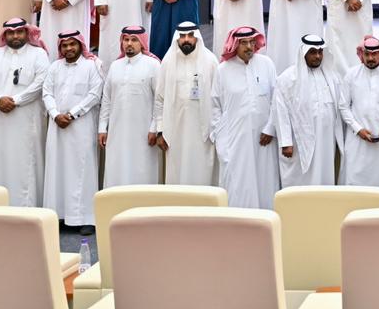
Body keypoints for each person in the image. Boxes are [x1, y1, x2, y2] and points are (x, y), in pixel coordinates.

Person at [0, 18, 50, 206]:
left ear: (27, 33)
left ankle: (26, 208)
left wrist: (16, 101)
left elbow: (40, 83)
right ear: (5, 35)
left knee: (24, 163)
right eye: (11, 32)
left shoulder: (39, 54)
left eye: (19, 32)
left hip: (26, 119)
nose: (15, 36)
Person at [211, 27, 280, 208]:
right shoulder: (223, 70)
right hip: (235, 139)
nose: (249, 46)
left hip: (264, 138)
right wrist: (221, 138)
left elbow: (277, 100)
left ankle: (265, 220)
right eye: (243, 43)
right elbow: (215, 106)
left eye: (251, 42)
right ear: (235, 44)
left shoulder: (267, 64)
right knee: (238, 183)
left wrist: (270, 128)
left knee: (265, 180)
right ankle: (239, 221)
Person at [42, 30, 102, 233]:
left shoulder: (91, 66)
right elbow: (47, 93)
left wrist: (72, 114)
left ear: (80, 45)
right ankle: (58, 215)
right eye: (65, 45)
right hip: (57, 126)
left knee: (82, 169)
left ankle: (85, 218)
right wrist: (55, 114)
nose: (69, 48)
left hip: (81, 126)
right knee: (57, 168)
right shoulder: (54, 67)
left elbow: (95, 94)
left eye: (72, 44)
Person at [273, 33, 344, 188]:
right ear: (303, 53)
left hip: (326, 140)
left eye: (320, 52)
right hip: (299, 140)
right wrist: (286, 142)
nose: (317, 56)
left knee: (324, 175)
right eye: (312, 52)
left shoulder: (332, 77)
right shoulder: (288, 78)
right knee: (300, 179)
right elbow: (279, 111)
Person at [154, 20, 219, 185]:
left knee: (202, 174)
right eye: (182, 36)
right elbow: (159, 98)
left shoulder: (210, 61)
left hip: (204, 134)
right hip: (175, 132)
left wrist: (217, 130)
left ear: (197, 37)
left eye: (190, 35)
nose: (186, 40)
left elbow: (218, 99)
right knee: (178, 173)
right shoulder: (168, 62)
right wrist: (160, 131)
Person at [99, 26, 161, 188]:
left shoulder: (153, 65)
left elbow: (159, 100)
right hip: (116, 131)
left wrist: (154, 128)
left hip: (144, 132)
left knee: (142, 170)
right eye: (126, 40)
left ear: (142, 43)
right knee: (116, 169)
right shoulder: (115, 66)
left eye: (134, 40)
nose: (129, 44)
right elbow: (107, 99)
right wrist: (102, 128)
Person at [339, 35, 379, 189]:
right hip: (357, 140)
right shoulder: (351, 74)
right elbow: (343, 106)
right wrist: (358, 129)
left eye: (374, 54)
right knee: (355, 181)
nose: (370, 58)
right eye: (367, 54)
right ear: (362, 54)